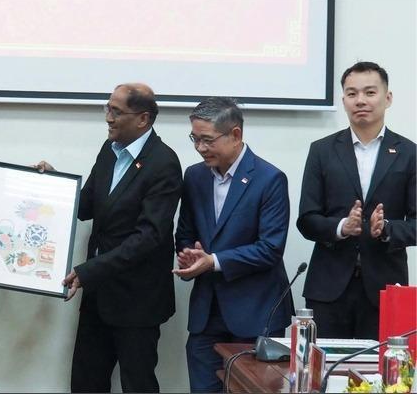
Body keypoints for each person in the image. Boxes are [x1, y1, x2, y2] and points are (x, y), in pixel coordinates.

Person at [36, 83, 181, 393]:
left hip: (137, 301)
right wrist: (51, 187)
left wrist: (89, 270)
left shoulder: (164, 163)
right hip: (99, 296)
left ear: (143, 119)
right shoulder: (109, 151)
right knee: (86, 382)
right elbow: (86, 205)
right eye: (108, 108)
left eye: (116, 111)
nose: (108, 118)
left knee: (137, 384)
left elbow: (149, 237)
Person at [174, 97, 292, 393]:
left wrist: (212, 261)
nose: (200, 148)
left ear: (236, 135)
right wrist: (189, 256)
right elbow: (185, 233)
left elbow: (270, 248)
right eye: (194, 139)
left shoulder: (269, 179)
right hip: (206, 316)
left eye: (207, 140)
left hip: (255, 315)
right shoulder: (194, 176)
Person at [297, 62, 415, 339]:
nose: (360, 100)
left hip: (385, 290)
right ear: (343, 100)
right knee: (320, 375)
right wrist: (341, 228)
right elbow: (307, 219)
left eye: (369, 92)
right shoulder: (322, 151)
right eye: (352, 94)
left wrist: (386, 228)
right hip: (327, 290)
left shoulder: (410, 153)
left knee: (382, 377)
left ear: (387, 98)